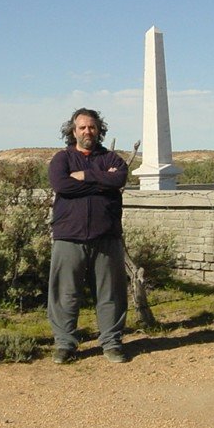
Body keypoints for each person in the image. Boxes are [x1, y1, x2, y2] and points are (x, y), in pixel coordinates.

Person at [47, 108, 129, 364]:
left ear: (99, 130)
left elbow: (119, 180)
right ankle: (65, 344)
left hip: (106, 236)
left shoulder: (112, 159)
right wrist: (102, 182)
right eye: (82, 127)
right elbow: (62, 185)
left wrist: (87, 176)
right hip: (68, 237)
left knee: (110, 293)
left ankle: (111, 342)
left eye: (91, 127)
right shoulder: (62, 159)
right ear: (73, 131)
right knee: (65, 294)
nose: (87, 131)